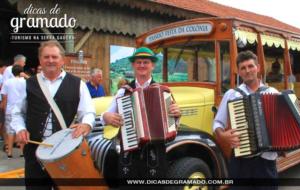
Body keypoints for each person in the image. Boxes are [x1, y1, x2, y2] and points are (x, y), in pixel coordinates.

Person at [213, 51, 300, 190]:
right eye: (243, 68)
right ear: (238, 72)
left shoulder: (273, 93)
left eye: (250, 66)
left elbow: (295, 116)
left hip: (267, 161)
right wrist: (223, 136)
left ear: (258, 67)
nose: (247, 71)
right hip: (240, 161)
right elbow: (218, 123)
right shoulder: (232, 94)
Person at [13, 40, 96, 190]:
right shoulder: (27, 84)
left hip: (66, 152)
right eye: (46, 57)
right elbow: (17, 112)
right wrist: (19, 129)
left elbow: (88, 111)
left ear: (62, 60)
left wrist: (86, 124)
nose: (50, 60)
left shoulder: (78, 84)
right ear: (40, 60)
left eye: (54, 57)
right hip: (34, 153)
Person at [102, 47, 181, 185]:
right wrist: (106, 116)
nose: (142, 65)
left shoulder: (164, 92)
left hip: (155, 153)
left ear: (152, 65)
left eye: (146, 62)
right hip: (130, 154)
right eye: (138, 62)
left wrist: (176, 114)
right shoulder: (123, 92)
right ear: (133, 65)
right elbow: (107, 115)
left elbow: (174, 123)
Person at [1, 65, 26, 158]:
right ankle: (22, 152)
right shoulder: (25, 82)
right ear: (21, 72)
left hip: (10, 109)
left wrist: (4, 108)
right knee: (22, 130)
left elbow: (4, 97)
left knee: (10, 131)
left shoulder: (7, 82)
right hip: (22, 109)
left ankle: (10, 152)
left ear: (12, 72)